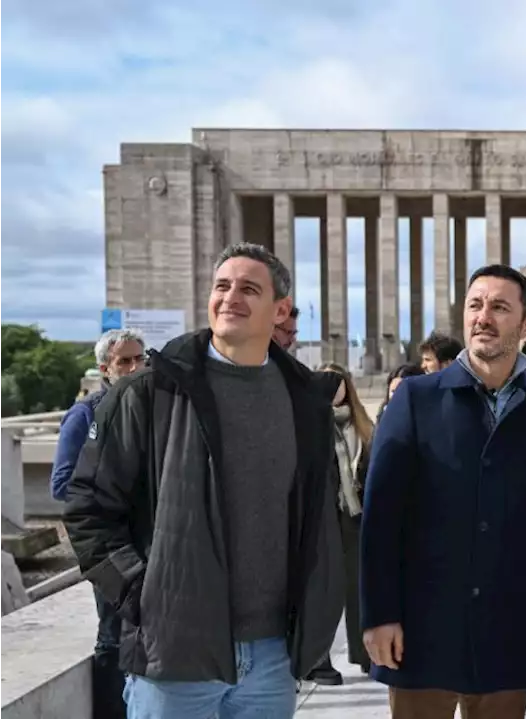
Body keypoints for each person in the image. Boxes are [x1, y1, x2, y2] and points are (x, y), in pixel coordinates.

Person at [63, 242, 344, 718]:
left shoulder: (304, 401)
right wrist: (142, 596)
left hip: (272, 657)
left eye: (249, 288)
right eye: (222, 285)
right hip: (176, 654)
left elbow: (318, 514)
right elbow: (87, 505)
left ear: (280, 310)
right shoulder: (151, 392)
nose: (231, 296)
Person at [361, 264, 526, 719]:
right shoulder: (416, 398)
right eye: (475, 305)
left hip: (506, 626)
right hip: (423, 629)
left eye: (499, 307)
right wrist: (379, 614)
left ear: (524, 325)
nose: (483, 317)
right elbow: (381, 517)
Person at [50, 328, 146, 719]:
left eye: (140, 359)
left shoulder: (152, 409)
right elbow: (63, 484)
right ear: (105, 368)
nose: (135, 367)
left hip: (148, 542)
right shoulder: (86, 414)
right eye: (124, 361)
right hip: (110, 548)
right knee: (112, 637)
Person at [311, 363, 376, 682]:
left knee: (357, 588)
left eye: (338, 381)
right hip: (324, 517)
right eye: (327, 380)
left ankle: (364, 655)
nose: (333, 387)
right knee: (322, 590)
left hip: (354, 516)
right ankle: (317, 659)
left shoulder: (363, 425)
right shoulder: (311, 423)